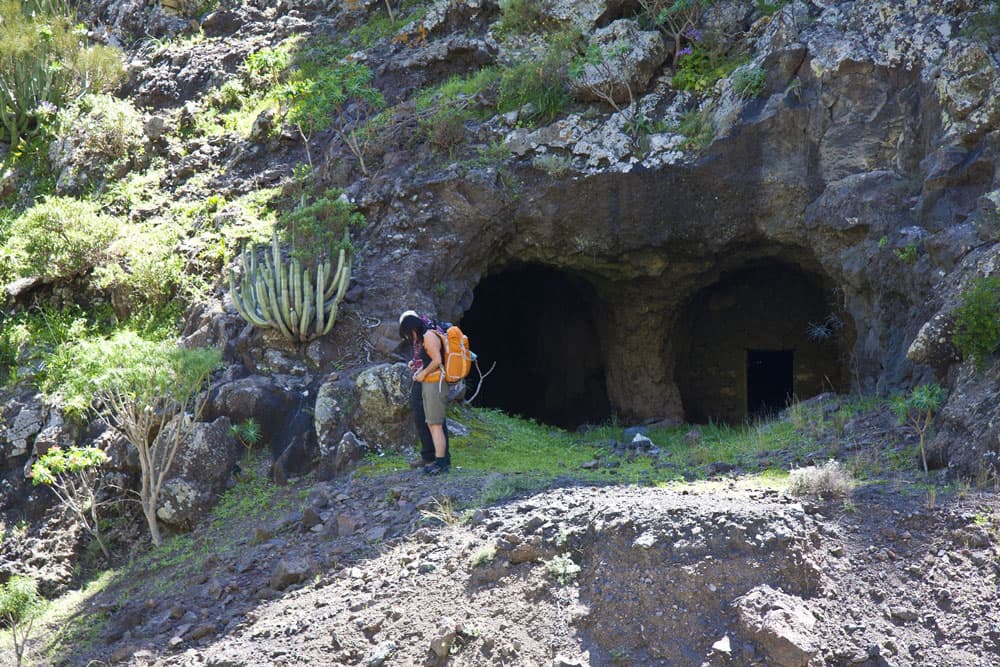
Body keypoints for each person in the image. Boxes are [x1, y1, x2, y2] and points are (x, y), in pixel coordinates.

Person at [399, 311, 451, 474]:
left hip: (435, 384)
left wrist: (424, 373)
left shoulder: (428, 336)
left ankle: (441, 464)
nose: (409, 338)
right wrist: (420, 371)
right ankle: (438, 461)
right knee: (432, 423)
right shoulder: (425, 336)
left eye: (408, 334)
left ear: (412, 328)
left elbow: (437, 361)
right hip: (431, 383)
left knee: (436, 424)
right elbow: (429, 360)